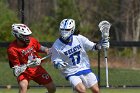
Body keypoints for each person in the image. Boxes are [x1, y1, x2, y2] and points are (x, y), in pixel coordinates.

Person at [51, 19, 109, 93]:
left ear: (72, 29)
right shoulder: (56, 45)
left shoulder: (79, 38)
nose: (64, 31)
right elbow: (55, 61)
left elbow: (94, 47)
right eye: (62, 29)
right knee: (82, 90)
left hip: (84, 68)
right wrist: (59, 65)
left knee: (96, 90)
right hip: (70, 71)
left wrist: (102, 45)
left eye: (67, 29)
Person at [7, 24, 56, 93]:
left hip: (37, 69)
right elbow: (17, 68)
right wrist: (28, 65)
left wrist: (47, 50)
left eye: (28, 35)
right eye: (25, 35)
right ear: (18, 35)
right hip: (24, 72)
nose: (28, 37)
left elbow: (40, 47)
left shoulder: (32, 40)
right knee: (23, 87)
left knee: (52, 88)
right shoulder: (12, 49)